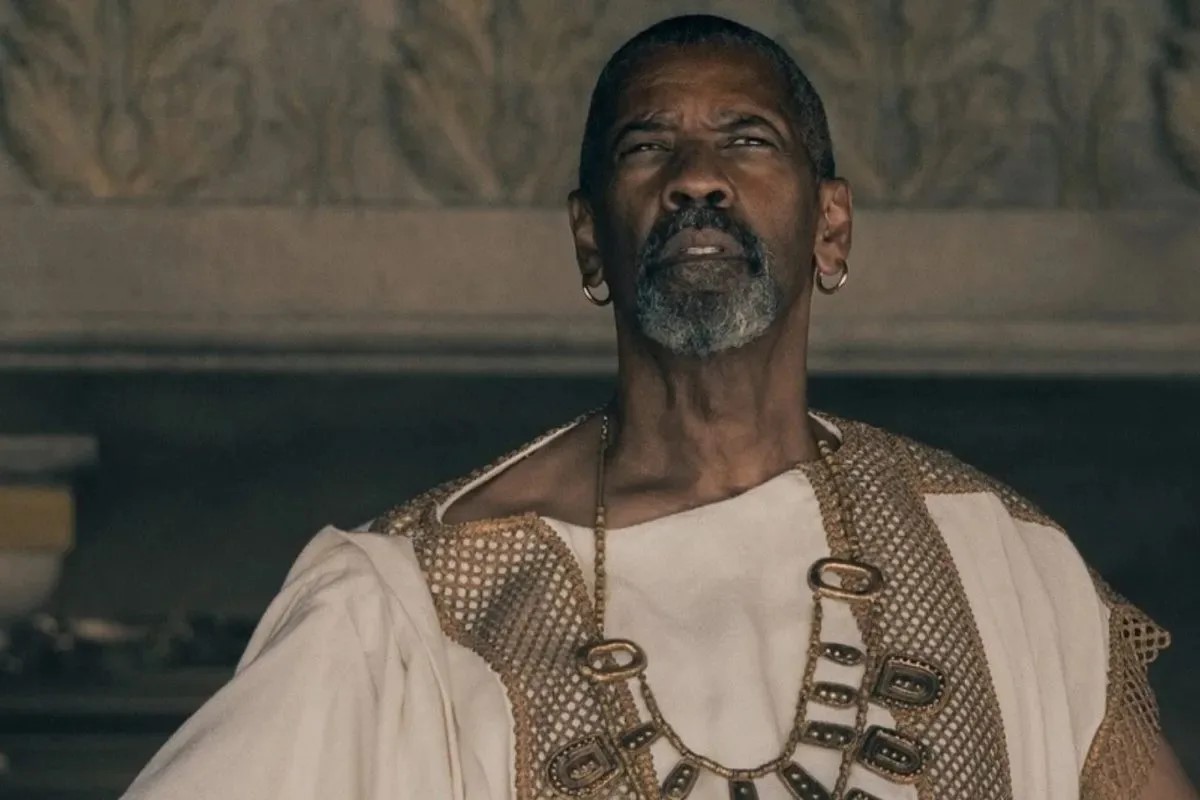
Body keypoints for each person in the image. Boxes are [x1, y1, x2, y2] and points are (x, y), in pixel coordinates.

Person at [122, 14, 1196, 800]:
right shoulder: (409, 607)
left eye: (748, 139)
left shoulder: (1001, 558)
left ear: (831, 227)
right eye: (647, 147)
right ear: (589, 237)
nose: (696, 178)